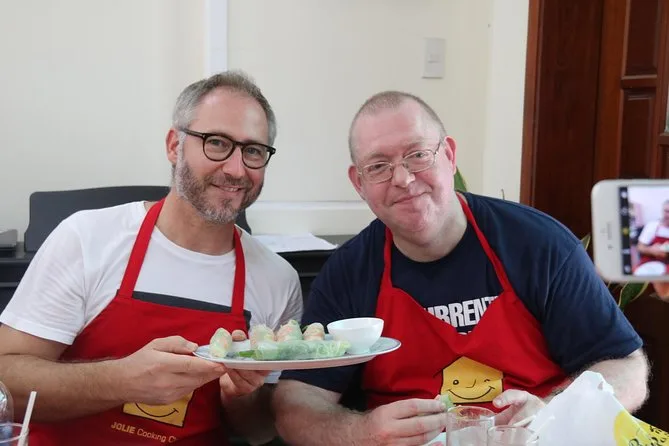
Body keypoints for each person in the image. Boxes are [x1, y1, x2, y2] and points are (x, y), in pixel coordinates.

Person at [271, 91, 649, 445]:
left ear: (449, 156)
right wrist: (363, 432)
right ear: (359, 183)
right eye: (379, 166)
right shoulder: (349, 272)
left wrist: (554, 411)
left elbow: (627, 367)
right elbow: (295, 403)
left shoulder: (538, 245)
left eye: (418, 154)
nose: (403, 179)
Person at [0, 71, 302, 445]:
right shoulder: (87, 239)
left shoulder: (278, 280)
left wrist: (239, 397)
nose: (236, 169)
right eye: (217, 143)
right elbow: (5, 380)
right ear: (175, 146)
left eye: (253, 151)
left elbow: (258, 432)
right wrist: (122, 380)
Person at [635, 200, 669, 271]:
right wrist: (651, 250)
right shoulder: (652, 226)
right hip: (649, 264)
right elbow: (640, 247)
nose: (668, 215)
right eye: (666, 211)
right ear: (662, 211)